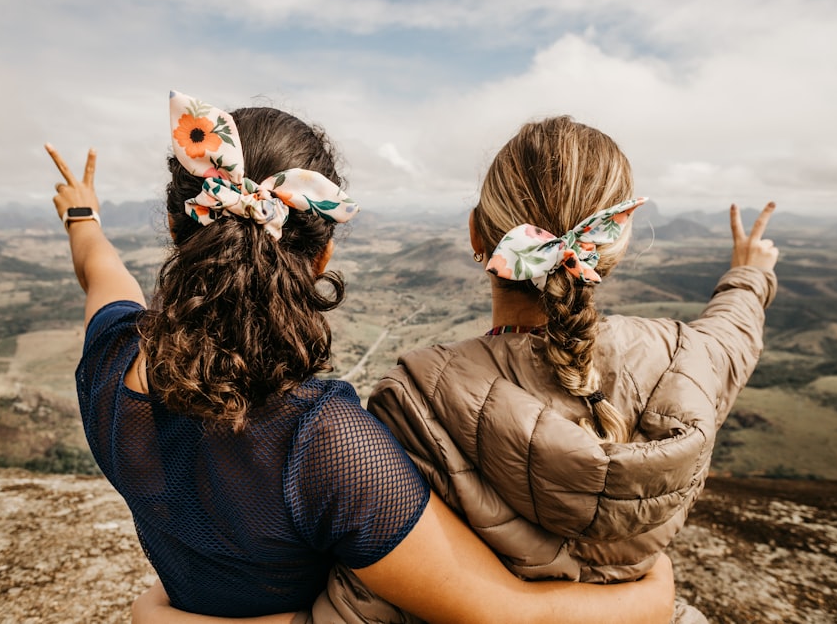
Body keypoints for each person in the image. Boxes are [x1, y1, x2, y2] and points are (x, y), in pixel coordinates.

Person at [47, 94, 677, 624]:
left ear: (174, 225)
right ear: (321, 257)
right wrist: (654, 597)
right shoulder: (325, 445)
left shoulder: (111, 358)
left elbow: (99, 271)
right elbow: (500, 612)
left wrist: (83, 215)